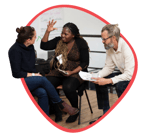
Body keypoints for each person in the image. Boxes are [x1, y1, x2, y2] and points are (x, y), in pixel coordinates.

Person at [8, 26, 79, 117]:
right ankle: (60, 103)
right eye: (34, 36)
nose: (36, 38)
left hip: (29, 79)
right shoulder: (14, 50)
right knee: (42, 79)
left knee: (43, 92)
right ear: (28, 40)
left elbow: (31, 67)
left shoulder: (30, 47)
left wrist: (34, 75)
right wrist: (34, 75)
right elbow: (16, 74)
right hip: (18, 80)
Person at [40, 20, 89, 123]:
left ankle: (75, 111)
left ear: (73, 35)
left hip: (76, 72)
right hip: (60, 70)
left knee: (68, 87)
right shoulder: (59, 41)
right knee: (46, 83)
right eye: (62, 33)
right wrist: (47, 31)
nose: (63, 35)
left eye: (66, 34)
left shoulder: (81, 43)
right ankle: (57, 110)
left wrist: (72, 72)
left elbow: (85, 62)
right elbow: (44, 46)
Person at [89, 23, 135, 124]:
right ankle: (106, 113)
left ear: (113, 37)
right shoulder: (109, 47)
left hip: (133, 76)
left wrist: (108, 81)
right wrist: (97, 76)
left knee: (120, 85)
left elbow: (130, 74)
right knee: (99, 81)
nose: (102, 41)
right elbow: (109, 67)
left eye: (104, 39)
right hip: (125, 74)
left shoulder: (127, 47)